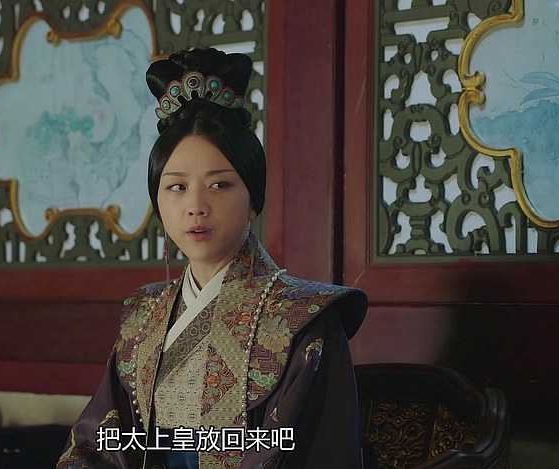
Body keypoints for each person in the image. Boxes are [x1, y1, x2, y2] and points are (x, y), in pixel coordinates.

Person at [57, 48, 367, 469]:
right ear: (157, 202)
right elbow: (102, 441)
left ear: (253, 200)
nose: (196, 207)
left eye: (219, 185)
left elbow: (308, 451)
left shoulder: (305, 321)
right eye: (177, 187)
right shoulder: (142, 317)